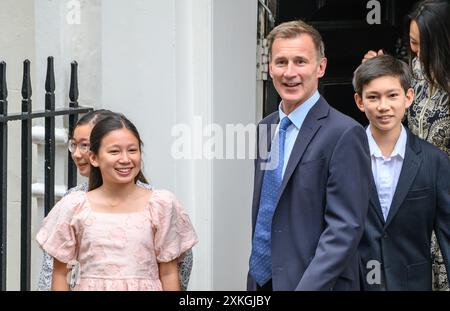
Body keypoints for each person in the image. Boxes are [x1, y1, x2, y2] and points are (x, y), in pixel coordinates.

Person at [247, 20, 371, 291]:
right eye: (281, 62)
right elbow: (268, 211)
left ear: (321, 67)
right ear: (270, 68)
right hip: (263, 282)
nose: (289, 73)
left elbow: (344, 229)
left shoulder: (345, 133)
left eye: (300, 61)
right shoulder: (265, 129)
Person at [36, 113, 198, 290]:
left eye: (132, 150)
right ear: (94, 157)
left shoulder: (161, 204)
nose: (125, 159)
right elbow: (59, 273)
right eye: (114, 151)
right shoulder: (73, 205)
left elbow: (171, 272)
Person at [363, 0, 450, 291]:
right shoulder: (416, 70)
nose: (416, 51)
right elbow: (392, 100)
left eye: (421, 44)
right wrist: (378, 71)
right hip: (411, 191)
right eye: (412, 42)